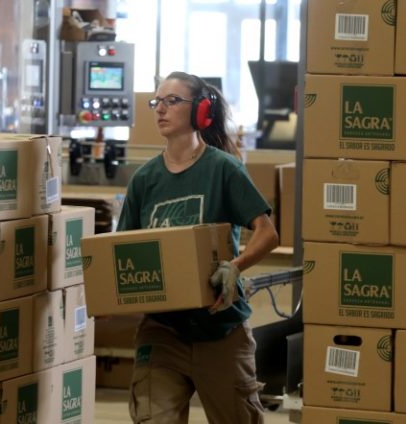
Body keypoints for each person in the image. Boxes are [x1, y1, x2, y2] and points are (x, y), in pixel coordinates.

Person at [116, 71, 279, 423]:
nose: (160, 109)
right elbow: (123, 249)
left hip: (219, 328)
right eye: (156, 101)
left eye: (172, 101)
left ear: (201, 111)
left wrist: (235, 265)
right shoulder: (144, 180)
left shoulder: (223, 169)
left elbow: (267, 233)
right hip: (162, 331)